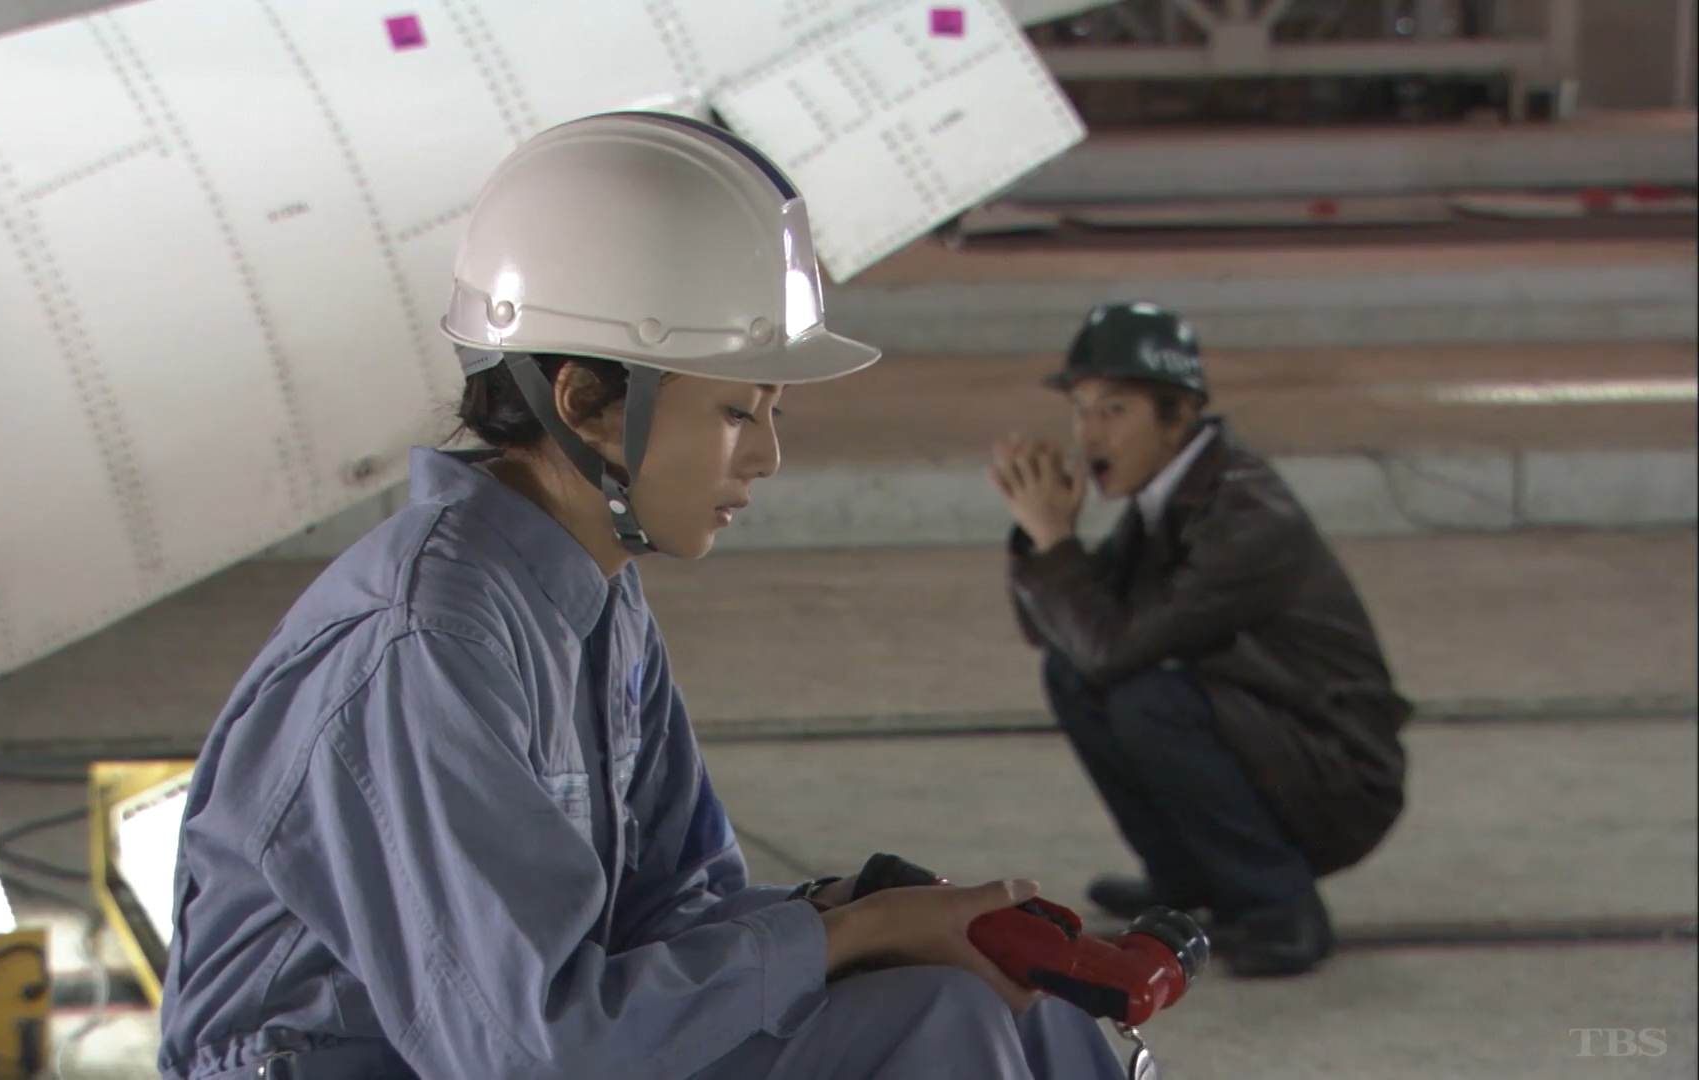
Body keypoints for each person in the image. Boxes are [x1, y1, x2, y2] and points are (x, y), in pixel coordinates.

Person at [155, 111, 1126, 1079]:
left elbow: (676, 913)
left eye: (773, 411)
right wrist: (858, 933)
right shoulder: (428, 642)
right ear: (584, 402)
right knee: (933, 1026)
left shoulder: (592, 604)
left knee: (1015, 1007)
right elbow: (528, 1052)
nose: (768, 456)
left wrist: (862, 919)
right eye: (737, 411)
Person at [989, 302, 1412, 978]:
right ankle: (1187, 877)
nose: (1089, 434)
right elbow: (1063, 634)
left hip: (1338, 773)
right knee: (1075, 675)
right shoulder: (1170, 494)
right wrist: (1042, 538)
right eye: (1081, 410)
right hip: (1271, 735)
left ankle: (1280, 906)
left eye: (1115, 410)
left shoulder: (1244, 514)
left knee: (1146, 699)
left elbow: (1115, 649)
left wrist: (1058, 544)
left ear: (1179, 415)